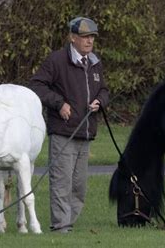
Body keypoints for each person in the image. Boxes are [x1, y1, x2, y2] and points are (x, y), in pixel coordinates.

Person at [29, 17, 109, 233]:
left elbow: (104, 90)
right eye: (84, 37)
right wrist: (59, 104)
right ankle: (61, 227)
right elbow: (36, 85)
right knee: (61, 183)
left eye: (92, 36)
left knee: (79, 187)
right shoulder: (56, 61)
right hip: (63, 133)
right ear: (72, 38)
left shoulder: (95, 63)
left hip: (86, 132)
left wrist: (100, 102)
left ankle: (67, 224)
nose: (89, 41)